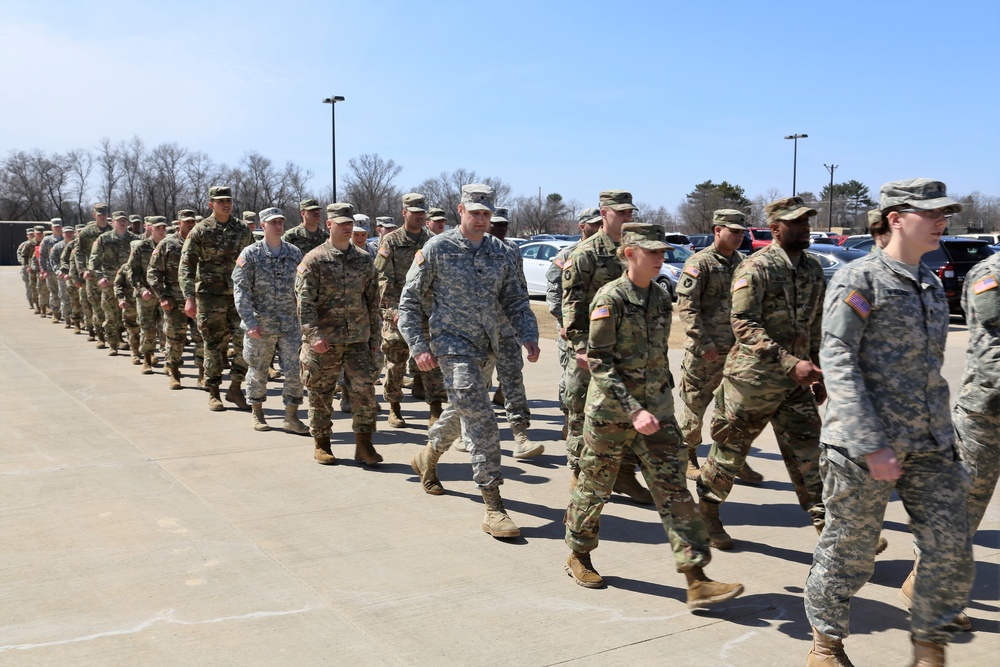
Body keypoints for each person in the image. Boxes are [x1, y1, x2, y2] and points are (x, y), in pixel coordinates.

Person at [804, 179, 974, 666]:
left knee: (949, 545)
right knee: (850, 554)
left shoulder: (930, 284)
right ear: (896, 218)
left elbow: (930, 374)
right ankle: (826, 645)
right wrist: (871, 442)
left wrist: (949, 442)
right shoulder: (860, 280)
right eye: (931, 212)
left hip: (929, 443)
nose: (942, 220)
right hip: (863, 448)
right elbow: (837, 359)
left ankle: (928, 646)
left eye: (946, 213)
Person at [563, 223, 744, 607]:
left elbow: (658, 358)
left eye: (663, 252)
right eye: (653, 252)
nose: (662, 258)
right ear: (630, 253)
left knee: (675, 491)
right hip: (612, 414)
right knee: (595, 488)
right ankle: (578, 554)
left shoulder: (662, 297)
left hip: (657, 415)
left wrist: (661, 409)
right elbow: (599, 362)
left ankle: (696, 578)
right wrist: (632, 409)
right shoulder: (609, 298)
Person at [399, 183, 540, 538]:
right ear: (460, 211)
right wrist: (419, 346)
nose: (480, 220)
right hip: (452, 345)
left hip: (488, 344)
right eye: (474, 213)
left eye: (486, 214)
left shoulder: (501, 252)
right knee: (481, 418)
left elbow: (516, 299)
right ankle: (494, 506)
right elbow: (409, 302)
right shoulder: (438, 248)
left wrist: (528, 334)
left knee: (464, 407)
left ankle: (428, 457)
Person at [695, 196, 826, 550]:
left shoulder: (813, 268)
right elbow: (743, 322)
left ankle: (828, 529)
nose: (805, 227)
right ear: (775, 228)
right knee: (729, 455)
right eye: (797, 222)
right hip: (751, 383)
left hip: (796, 383)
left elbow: (814, 323)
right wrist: (788, 362)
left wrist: (817, 371)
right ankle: (707, 511)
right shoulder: (756, 268)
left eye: (806, 221)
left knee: (810, 454)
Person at [562, 190, 651, 504]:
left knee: (627, 415)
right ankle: (578, 471)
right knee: (581, 412)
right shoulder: (585, 253)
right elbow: (571, 303)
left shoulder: (635, 250)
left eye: (630, 213)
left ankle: (625, 474)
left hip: (628, 351)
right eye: (620, 213)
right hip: (592, 349)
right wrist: (579, 346)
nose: (627, 218)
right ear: (604, 213)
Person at [676, 210, 762, 484]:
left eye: (741, 232)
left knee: (736, 410)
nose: (739, 236)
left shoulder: (744, 263)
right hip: (705, 353)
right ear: (717, 230)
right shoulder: (699, 263)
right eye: (733, 231)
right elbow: (687, 309)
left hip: (738, 353)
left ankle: (731, 461)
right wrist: (704, 343)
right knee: (694, 406)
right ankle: (687, 457)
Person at [294, 209, 382, 466]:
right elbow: (304, 303)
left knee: (364, 393)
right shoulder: (314, 260)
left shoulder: (364, 260)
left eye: (350, 224)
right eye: (342, 224)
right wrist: (313, 335)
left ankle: (364, 445)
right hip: (325, 341)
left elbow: (373, 303)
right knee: (321, 393)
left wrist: (374, 340)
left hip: (357, 340)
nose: (347, 229)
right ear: (329, 224)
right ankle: (322, 443)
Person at [232, 207, 309, 434]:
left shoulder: (295, 253)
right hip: (261, 324)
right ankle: (257, 412)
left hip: (290, 324)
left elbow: (304, 288)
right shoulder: (250, 254)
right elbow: (241, 290)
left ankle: (291, 416)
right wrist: (249, 321)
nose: (278, 226)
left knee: (295, 370)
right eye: (273, 222)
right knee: (258, 369)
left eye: (280, 222)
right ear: (262, 225)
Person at [375, 193, 447, 428]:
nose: (418, 216)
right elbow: (382, 278)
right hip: (397, 313)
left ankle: (435, 408)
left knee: (432, 363)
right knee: (395, 363)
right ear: (404, 213)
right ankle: (394, 407)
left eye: (421, 213)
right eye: (414, 212)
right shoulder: (391, 241)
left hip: (427, 314)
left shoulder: (432, 241)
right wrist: (393, 311)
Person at [180, 186, 254, 411]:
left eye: (229, 200)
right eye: (220, 201)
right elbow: (187, 264)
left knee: (246, 344)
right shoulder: (201, 230)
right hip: (210, 297)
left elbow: (252, 261)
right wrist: (189, 297)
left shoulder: (242, 229)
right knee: (213, 345)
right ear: (211, 204)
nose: (226, 204)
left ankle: (235, 387)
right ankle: (213, 392)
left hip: (238, 296)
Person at [479, 206, 541, 457]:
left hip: (506, 328)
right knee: (476, 385)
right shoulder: (465, 249)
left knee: (513, 381)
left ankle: (520, 435)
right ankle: (464, 431)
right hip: (476, 331)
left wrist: (528, 332)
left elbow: (519, 292)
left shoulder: (512, 251)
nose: (501, 228)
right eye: (497, 224)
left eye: (505, 224)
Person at [545, 208, 603, 441]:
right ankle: (569, 418)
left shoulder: (607, 253)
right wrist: (562, 320)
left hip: (600, 328)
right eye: (594, 223)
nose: (599, 227)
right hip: (571, 328)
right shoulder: (568, 253)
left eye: (601, 222)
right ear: (583, 226)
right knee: (571, 376)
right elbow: (554, 288)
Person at [149, 209, 203, 390]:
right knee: (175, 339)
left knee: (202, 338)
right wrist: (162, 296)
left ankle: (202, 374)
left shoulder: (201, 242)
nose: (190, 224)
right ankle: (174, 373)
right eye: (187, 221)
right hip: (175, 301)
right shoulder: (168, 244)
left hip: (199, 300)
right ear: (179, 223)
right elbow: (154, 272)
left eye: (192, 221)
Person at [89, 211, 141, 357]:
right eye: (119, 221)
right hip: (110, 282)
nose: (122, 223)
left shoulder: (135, 240)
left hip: (130, 284)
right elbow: (94, 260)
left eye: (125, 220)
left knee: (131, 316)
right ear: (113, 222)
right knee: (111, 315)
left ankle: (134, 346)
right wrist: (99, 277)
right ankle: (113, 344)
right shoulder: (104, 239)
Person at [126, 217, 168, 373]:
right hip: (147, 295)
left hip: (165, 294)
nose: (161, 231)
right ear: (151, 228)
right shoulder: (141, 247)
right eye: (158, 228)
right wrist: (141, 289)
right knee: (147, 328)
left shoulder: (170, 246)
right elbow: (132, 272)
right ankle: (147, 359)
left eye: (164, 227)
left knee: (166, 328)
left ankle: (168, 360)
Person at [76, 203, 112, 343]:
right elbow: (78, 253)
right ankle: (99, 336)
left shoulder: (113, 230)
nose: (102, 216)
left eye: (104, 214)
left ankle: (116, 337)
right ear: (94, 215)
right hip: (92, 274)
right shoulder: (86, 232)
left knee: (111, 307)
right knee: (96, 306)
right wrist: (82, 270)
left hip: (110, 274)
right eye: (99, 214)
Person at [38, 218, 64, 323]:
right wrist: (43, 270)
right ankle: (55, 313)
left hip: (64, 270)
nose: (58, 228)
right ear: (51, 227)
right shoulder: (47, 240)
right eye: (55, 226)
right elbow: (42, 256)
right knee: (54, 293)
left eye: (59, 226)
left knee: (66, 294)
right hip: (51, 271)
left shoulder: (67, 237)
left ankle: (68, 314)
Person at [17, 229, 34, 309]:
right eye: (30, 234)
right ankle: (31, 301)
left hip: (35, 267)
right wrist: (24, 263)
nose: (31, 235)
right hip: (26, 268)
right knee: (28, 285)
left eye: (32, 234)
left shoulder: (38, 243)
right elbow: (19, 254)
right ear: (27, 235)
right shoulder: (23, 244)